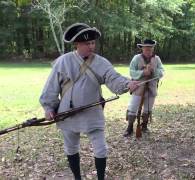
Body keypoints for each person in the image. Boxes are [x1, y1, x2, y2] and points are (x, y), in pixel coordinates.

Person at [40, 22, 138, 180]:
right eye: (87, 43)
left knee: (101, 149)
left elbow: (113, 78)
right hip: (67, 113)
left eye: (93, 43)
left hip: (93, 112)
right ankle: (77, 177)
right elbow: (51, 87)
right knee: (71, 148)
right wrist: (49, 107)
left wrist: (127, 84)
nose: (91, 46)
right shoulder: (63, 61)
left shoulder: (101, 62)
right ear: (77, 44)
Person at [123, 39, 164, 137]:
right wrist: (142, 73)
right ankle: (129, 128)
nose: (148, 51)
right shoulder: (136, 58)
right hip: (138, 87)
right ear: (142, 49)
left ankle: (144, 126)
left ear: (153, 49)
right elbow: (131, 72)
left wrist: (154, 70)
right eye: (146, 49)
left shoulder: (156, 59)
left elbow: (161, 72)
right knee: (133, 107)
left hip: (151, 87)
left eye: (150, 49)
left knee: (148, 109)